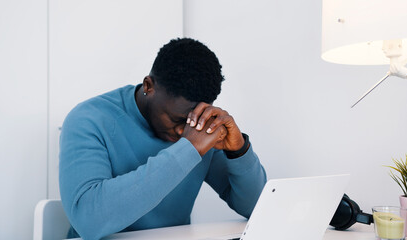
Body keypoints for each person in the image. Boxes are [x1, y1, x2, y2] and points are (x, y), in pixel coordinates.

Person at [59, 38, 267, 240]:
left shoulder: (198, 127)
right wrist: (189, 149)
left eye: (190, 123)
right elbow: (89, 221)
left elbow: (257, 208)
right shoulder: (89, 119)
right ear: (149, 86)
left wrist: (238, 151)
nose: (182, 132)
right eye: (176, 119)